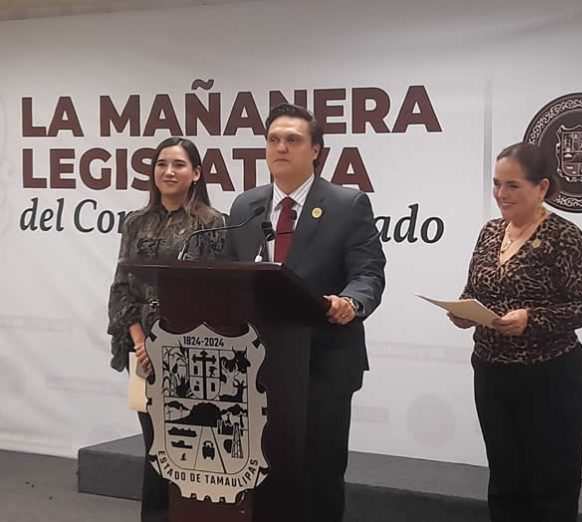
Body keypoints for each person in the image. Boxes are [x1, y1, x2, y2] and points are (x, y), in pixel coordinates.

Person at [223, 103, 386, 522]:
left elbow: (368, 273)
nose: (281, 148)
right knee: (259, 472)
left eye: (293, 140)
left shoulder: (347, 203)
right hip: (255, 367)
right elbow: (229, 275)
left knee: (319, 474)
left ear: (315, 151)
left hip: (323, 362)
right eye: (273, 140)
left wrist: (351, 302)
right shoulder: (245, 206)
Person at [450, 142, 582, 522]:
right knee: (504, 481)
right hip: (492, 373)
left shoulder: (565, 236)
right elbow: (474, 291)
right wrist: (463, 312)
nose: (501, 194)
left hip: (551, 378)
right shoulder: (489, 232)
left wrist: (531, 319)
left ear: (542, 188)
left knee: (551, 485)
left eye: (513, 185)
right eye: (496, 183)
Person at [107, 137, 225, 522]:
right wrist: (141, 342)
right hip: (143, 352)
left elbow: (215, 294)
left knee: (190, 446)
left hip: (192, 351)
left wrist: (168, 343)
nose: (168, 172)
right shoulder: (135, 222)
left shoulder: (212, 223)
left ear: (196, 173)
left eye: (178, 165)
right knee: (155, 445)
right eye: (161, 164)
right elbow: (121, 287)